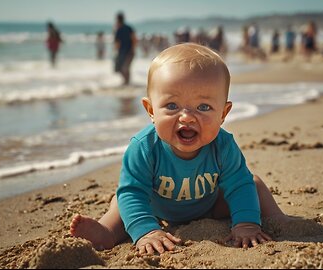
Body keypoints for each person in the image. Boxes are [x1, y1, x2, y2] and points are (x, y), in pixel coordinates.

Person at [69, 43, 289, 254]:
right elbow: (134, 192)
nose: (187, 117)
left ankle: (276, 219)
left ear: (223, 114)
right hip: (155, 208)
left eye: (204, 107)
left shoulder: (223, 146)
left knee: (252, 184)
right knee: (121, 201)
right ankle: (107, 232)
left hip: (209, 206)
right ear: (151, 109)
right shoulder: (144, 148)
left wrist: (245, 224)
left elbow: (238, 186)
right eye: (172, 106)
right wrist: (146, 231)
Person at [114, 12, 137, 85]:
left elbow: (117, 43)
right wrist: (133, 49)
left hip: (124, 52)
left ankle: (126, 82)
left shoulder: (119, 29)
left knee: (121, 68)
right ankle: (127, 82)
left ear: (117, 19)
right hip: (129, 51)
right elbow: (134, 39)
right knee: (125, 68)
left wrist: (116, 52)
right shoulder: (128, 28)